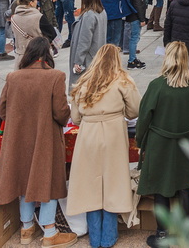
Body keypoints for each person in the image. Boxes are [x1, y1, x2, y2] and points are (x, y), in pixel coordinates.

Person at [0, 37, 77, 248]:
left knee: (24, 180)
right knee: (47, 180)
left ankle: (26, 227)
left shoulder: (13, 77)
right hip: (45, 138)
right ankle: (50, 231)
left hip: (19, 139)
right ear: (45, 55)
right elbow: (60, 113)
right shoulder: (55, 76)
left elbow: (2, 111)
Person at [68, 44, 141, 248]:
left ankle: (95, 237)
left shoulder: (83, 81)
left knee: (89, 184)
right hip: (114, 132)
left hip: (88, 133)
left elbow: (75, 116)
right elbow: (135, 110)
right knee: (113, 182)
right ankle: (109, 236)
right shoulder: (123, 80)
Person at [138, 41, 189, 248]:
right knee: (185, 185)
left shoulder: (157, 86)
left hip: (160, 142)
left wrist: (140, 141)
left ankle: (162, 234)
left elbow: (144, 117)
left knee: (161, 188)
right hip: (184, 141)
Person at [68, 0, 107, 90]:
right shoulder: (102, 12)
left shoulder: (89, 15)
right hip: (97, 53)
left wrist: (78, 61)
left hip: (88, 57)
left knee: (83, 86)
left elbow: (84, 40)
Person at [9, 0, 42, 65]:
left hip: (21, 55)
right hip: (37, 55)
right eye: (36, 0)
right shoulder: (39, 17)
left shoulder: (14, 18)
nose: (37, 2)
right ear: (31, 2)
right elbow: (51, 34)